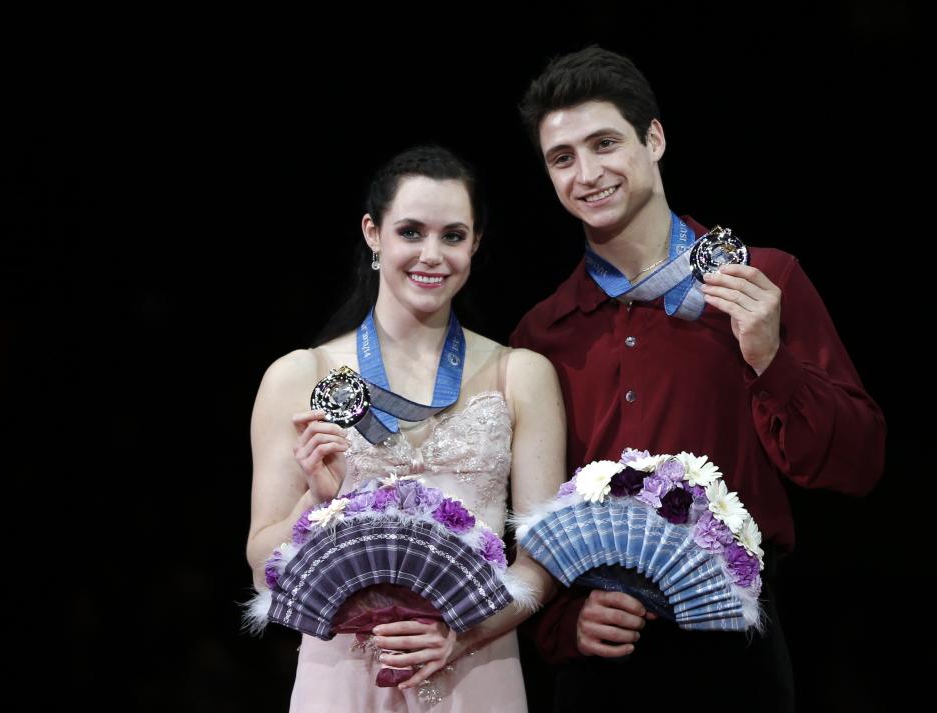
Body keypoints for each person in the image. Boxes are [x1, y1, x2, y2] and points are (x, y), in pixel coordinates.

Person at [509, 47, 886, 712]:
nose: (586, 173)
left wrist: (773, 358)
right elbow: (527, 520)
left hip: (735, 655)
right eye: (562, 158)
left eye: (605, 143)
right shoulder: (542, 335)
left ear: (654, 138)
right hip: (601, 660)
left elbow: (856, 463)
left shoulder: (762, 281)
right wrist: (564, 623)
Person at [246, 145, 565, 712]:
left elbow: (540, 562)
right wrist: (313, 504)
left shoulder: (522, 375)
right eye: (411, 232)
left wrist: (460, 636)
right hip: (340, 673)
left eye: (453, 236)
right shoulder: (298, 375)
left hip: (478, 666)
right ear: (373, 234)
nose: (431, 255)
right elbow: (260, 563)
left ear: (476, 244)